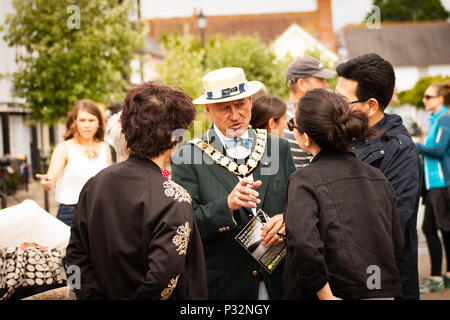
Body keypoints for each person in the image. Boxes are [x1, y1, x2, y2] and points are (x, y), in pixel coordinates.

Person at [65, 82, 207, 300]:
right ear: (174, 139)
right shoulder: (174, 197)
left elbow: (75, 257)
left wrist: (89, 297)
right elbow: (163, 279)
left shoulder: (95, 184)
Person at [171, 67, 296, 300]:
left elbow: (299, 205)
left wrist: (287, 218)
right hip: (225, 286)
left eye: (240, 105)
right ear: (208, 110)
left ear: (250, 100)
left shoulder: (279, 148)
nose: (235, 115)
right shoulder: (187, 156)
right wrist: (226, 206)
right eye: (224, 108)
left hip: (280, 280)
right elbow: (183, 226)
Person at [283, 88, 404, 300]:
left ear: (306, 137)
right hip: (381, 289)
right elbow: (395, 241)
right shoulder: (376, 177)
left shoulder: (304, 180)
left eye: (293, 125)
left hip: (333, 293)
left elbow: (303, 244)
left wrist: (325, 295)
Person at [335, 53, 422, 300]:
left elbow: (390, 224)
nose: (335, 106)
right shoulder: (344, 138)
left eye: (342, 100)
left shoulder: (400, 150)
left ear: (371, 105)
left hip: (383, 284)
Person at [36, 99, 112, 226]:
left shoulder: (105, 148)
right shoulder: (64, 148)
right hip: (70, 213)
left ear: (99, 122)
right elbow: (50, 182)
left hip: (100, 212)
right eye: (82, 120)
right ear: (74, 122)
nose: (87, 125)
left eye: (91, 120)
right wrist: (47, 182)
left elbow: (108, 184)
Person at [416, 81, 450, 293]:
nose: (424, 100)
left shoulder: (444, 118)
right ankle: (444, 274)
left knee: (431, 228)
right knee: (443, 229)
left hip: (441, 184)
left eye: (428, 96)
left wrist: (413, 144)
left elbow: (438, 149)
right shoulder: (437, 119)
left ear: (440, 99)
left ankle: (437, 276)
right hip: (434, 184)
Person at [283, 56, 336, 168]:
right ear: (302, 84)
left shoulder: (280, 114)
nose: (327, 85)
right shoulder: (307, 120)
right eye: (321, 80)